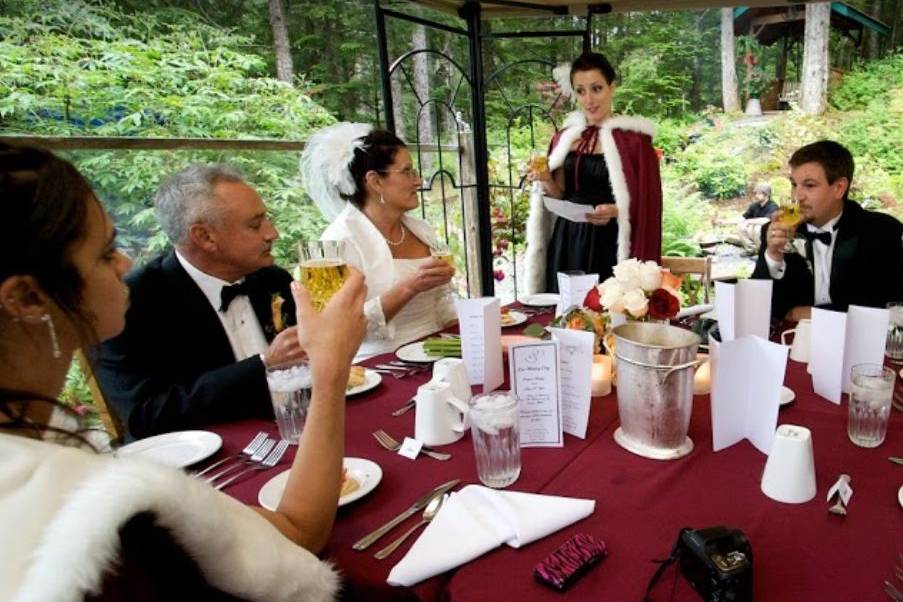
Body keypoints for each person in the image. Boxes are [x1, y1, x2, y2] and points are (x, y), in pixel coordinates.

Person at [0, 143, 367, 600]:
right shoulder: (104, 508)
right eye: (105, 252)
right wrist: (325, 365)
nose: (123, 262)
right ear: (29, 299)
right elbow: (296, 536)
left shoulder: (271, 281)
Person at [95, 164, 308, 440]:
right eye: (256, 224)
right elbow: (145, 416)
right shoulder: (132, 303)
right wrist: (264, 363)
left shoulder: (272, 281)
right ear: (205, 237)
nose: (272, 233)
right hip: (201, 458)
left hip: (288, 434)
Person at [301, 123, 456, 360]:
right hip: (380, 367)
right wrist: (410, 286)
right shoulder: (339, 242)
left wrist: (464, 334)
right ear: (375, 181)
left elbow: (442, 300)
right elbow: (339, 329)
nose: (418, 181)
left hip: (439, 355)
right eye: (407, 172)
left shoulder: (421, 230)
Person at [524, 51, 663, 294]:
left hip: (610, 242)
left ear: (612, 87)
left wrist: (616, 210)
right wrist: (545, 179)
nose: (589, 99)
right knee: (566, 313)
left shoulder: (635, 143)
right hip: (567, 240)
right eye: (581, 91)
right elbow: (558, 194)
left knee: (608, 311)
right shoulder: (565, 138)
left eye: (596, 88)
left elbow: (648, 205)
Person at [751, 140, 903, 321]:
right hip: (793, 342)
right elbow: (758, 308)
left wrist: (812, 314)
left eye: (809, 185)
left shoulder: (880, 231)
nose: (797, 196)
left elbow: (889, 307)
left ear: (839, 188)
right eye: (794, 184)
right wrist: (773, 254)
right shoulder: (776, 230)